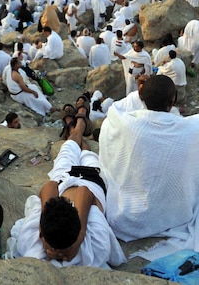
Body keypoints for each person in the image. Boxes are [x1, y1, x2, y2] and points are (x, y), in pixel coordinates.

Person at [98, 75, 199, 260]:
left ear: (141, 97)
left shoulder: (123, 123)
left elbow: (115, 110)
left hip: (127, 217)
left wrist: (139, 94)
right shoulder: (190, 130)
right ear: (173, 101)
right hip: (173, 216)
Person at [8, 112, 126, 269]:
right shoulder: (96, 247)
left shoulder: (31, 244)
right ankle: (79, 125)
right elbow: (84, 191)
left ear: (41, 232)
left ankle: (76, 130)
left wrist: (44, 226)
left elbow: (50, 186)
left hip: (65, 178)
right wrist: (80, 236)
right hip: (91, 180)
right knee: (85, 152)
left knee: (69, 147)